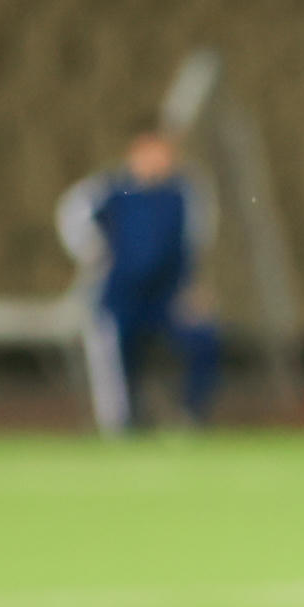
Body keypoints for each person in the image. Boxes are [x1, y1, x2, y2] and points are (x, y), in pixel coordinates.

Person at [57, 128, 221, 427]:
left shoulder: (184, 193)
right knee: (115, 353)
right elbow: (73, 219)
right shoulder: (110, 190)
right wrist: (95, 254)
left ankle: (188, 417)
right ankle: (122, 425)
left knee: (203, 338)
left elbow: (194, 244)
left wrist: (192, 287)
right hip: (119, 296)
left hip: (166, 297)